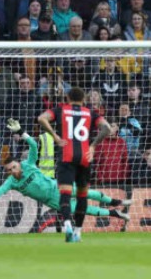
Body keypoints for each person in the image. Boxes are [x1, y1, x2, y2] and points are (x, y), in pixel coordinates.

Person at [0, 119, 131, 222]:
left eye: (14, 167)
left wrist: (21, 132)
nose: (13, 171)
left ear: (18, 164)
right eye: (9, 170)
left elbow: (32, 144)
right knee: (83, 210)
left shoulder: (28, 164)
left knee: (86, 193)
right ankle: (114, 213)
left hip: (57, 186)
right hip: (53, 201)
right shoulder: (12, 182)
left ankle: (115, 202)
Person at [37, 87, 112, 243]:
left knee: (65, 194)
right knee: (82, 195)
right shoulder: (90, 112)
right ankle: (78, 232)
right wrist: (92, 145)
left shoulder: (60, 109)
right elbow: (107, 128)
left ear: (67, 98)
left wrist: (56, 136)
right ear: (83, 99)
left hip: (67, 156)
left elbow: (41, 118)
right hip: (85, 157)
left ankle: (67, 224)